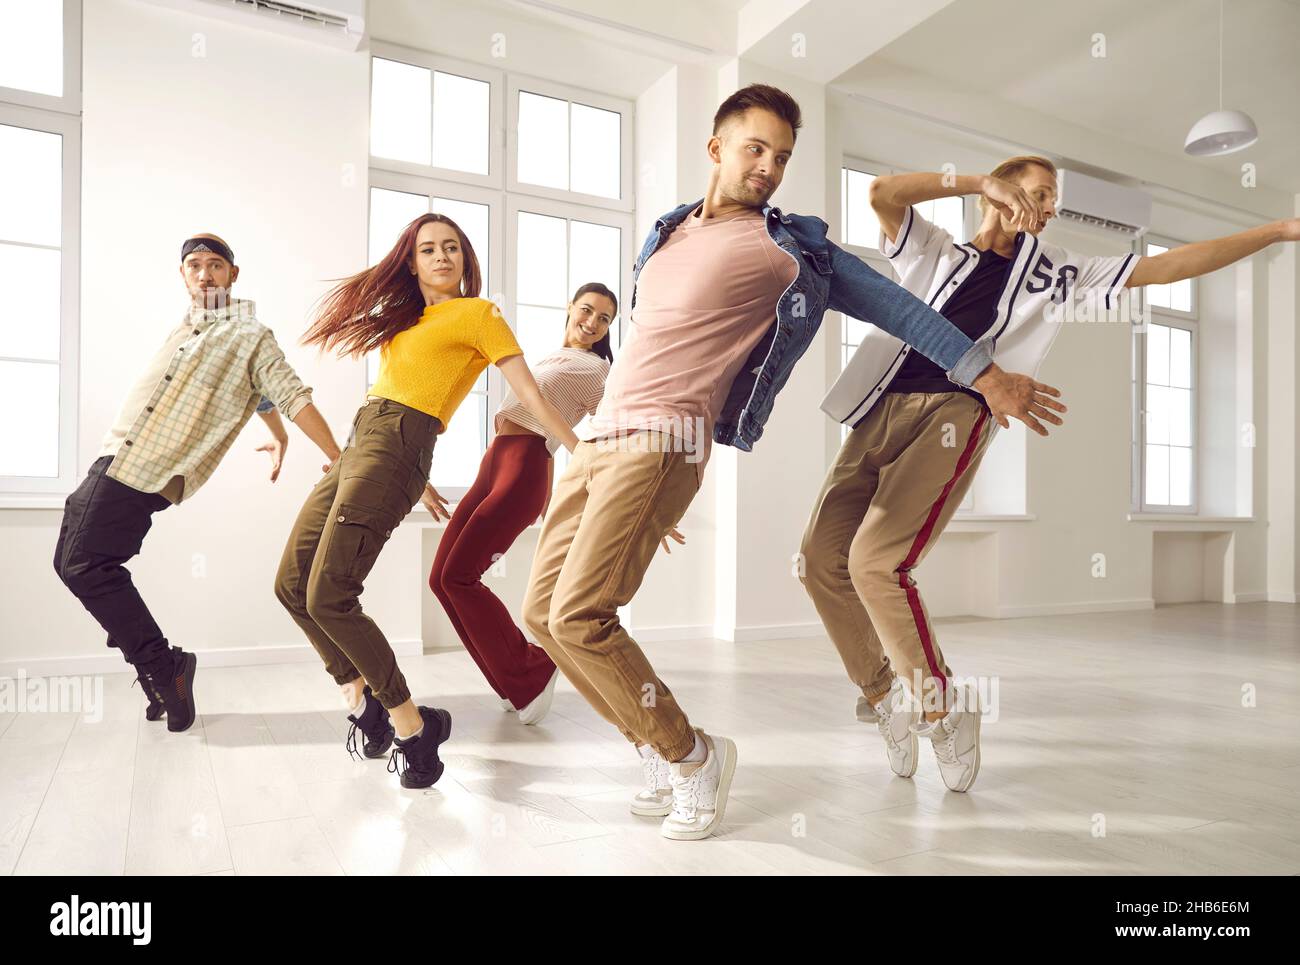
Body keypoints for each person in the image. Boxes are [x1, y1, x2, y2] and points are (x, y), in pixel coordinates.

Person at [521, 85, 1053, 841]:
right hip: (601, 438)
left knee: (582, 614)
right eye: (756, 149)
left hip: (663, 441)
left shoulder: (792, 251)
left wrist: (984, 373)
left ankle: (692, 755)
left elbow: (899, 310)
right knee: (542, 617)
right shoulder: (666, 232)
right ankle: (650, 744)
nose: (770, 167)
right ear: (716, 149)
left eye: (782, 157)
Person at [809, 154, 1300, 792]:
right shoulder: (935, 253)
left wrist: (1276, 232)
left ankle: (942, 708)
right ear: (1000, 187)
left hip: (957, 412)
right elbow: (882, 192)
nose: (1046, 208)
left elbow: (1169, 266)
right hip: (877, 409)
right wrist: (975, 180)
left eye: (1051, 201)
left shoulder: (1060, 273)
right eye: (1037, 193)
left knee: (876, 565)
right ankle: (884, 697)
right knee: (818, 561)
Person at [274, 213, 579, 789]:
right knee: (292, 585)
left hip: (393, 448)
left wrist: (579, 452)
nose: (442, 257)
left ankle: (414, 729)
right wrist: (411, 475)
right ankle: (359, 696)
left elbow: (529, 393)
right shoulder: (405, 323)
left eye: (453, 248)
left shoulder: (478, 314)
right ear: (410, 262)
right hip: (364, 445)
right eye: (429, 249)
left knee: (330, 594)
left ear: (465, 260)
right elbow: (397, 396)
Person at [53, 233, 342, 732]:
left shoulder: (249, 334)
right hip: (118, 453)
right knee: (78, 562)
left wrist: (337, 456)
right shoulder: (190, 327)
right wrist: (275, 436)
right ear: (183, 275)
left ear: (233, 274)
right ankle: (158, 665)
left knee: (84, 565)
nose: (205, 274)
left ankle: (165, 668)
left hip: (143, 465)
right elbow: (260, 396)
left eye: (215, 265)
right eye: (194, 266)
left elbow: (287, 391)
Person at [428, 282, 620, 725]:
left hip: (525, 464)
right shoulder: (552, 357)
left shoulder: (599, 372)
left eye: (604, 319)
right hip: (495, 459)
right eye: (587, 310)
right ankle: (510, 678)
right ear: (569, 307)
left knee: (460, 577)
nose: (591, 323)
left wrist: (633, 487)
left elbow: (613, 430)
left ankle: (531, 671)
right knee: (441, 580)